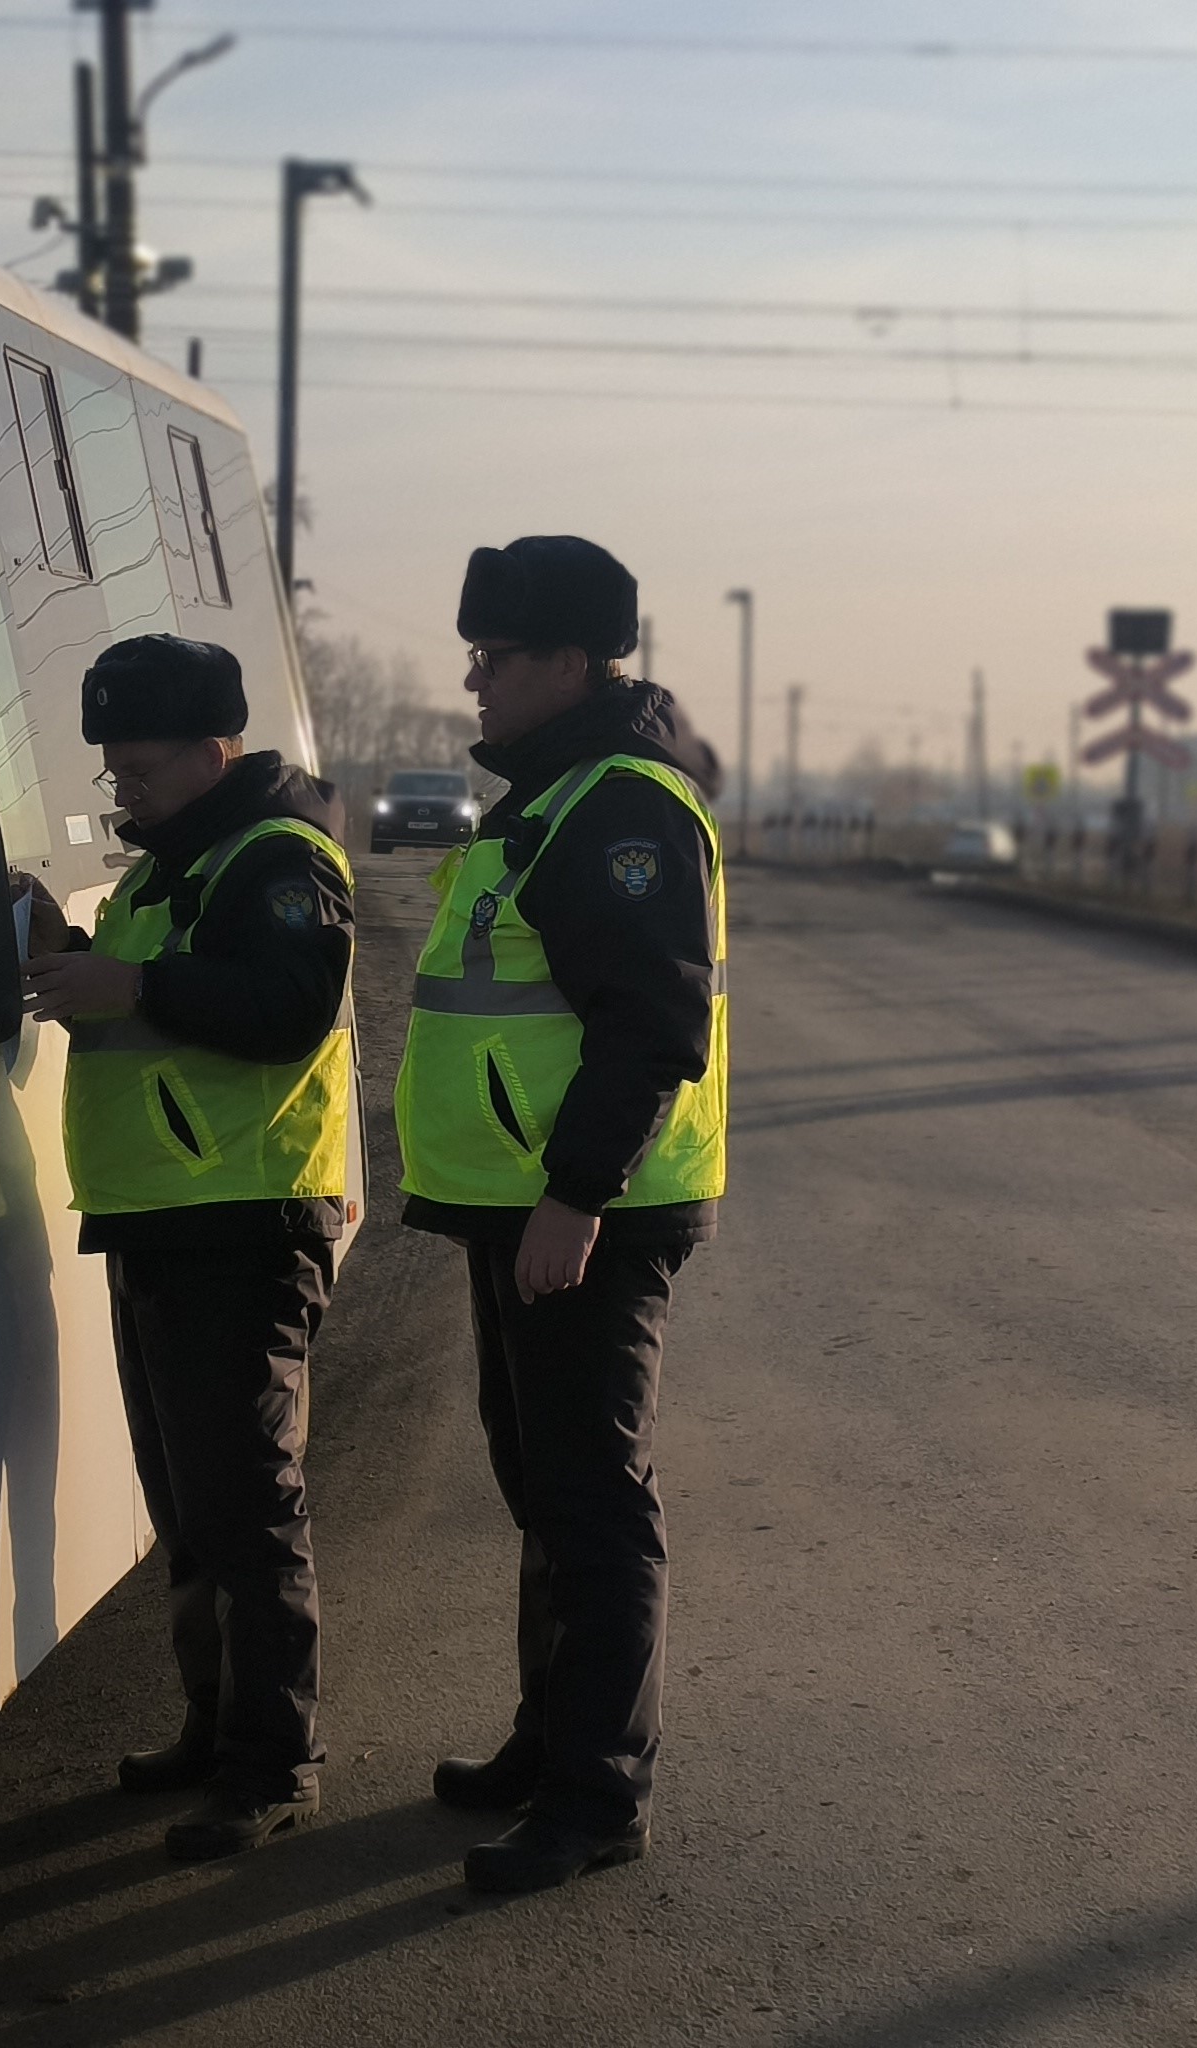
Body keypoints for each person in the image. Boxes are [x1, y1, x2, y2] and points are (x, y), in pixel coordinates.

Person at [397, 536, 728, 1894]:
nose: (471, 678)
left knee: (592, 1503)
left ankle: (598, 1795)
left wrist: (575, 1196)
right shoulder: (554, 795)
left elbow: (649, 1029)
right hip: (521, 1205)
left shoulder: (620, 807)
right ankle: (552, 1738)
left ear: (572, 664)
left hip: (585, 1212)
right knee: (541, 1487)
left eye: (496, 656)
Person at [18, 633, 358, 1861]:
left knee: (247, 1504)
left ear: (214, 751)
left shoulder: (274, 857)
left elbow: (285, 1007)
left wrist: (134, 986)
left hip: (243, 1221)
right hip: (164, 1215)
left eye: (142, 764)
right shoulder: (174, 865)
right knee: (192, 1502)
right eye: (112, 768)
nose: (124, 787)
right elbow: (152, 984)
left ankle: (275, 1759)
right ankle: (215, 1730)